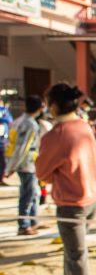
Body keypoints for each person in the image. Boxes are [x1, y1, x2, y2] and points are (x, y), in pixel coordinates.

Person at [36, 83, 96, 275]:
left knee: (75, 253)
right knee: (73, 250)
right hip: (91, 195)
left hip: (72, 201)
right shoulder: (83, 125)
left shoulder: (56, 134)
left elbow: (42, 173)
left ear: (53, 105)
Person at [5, 95, 44, 235]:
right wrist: (11, 167)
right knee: (27, 194)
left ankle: (33, 220)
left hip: (26, 163)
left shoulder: (17, 121)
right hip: (27, 164)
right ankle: (24, 224)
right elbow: (22, 148)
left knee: (34, 192)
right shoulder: (30, 124)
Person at [0, 96, 13, 186]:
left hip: (2, 138)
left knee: (3, 159)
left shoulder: (4, 110)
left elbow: (9, 119)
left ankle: (1, 178)